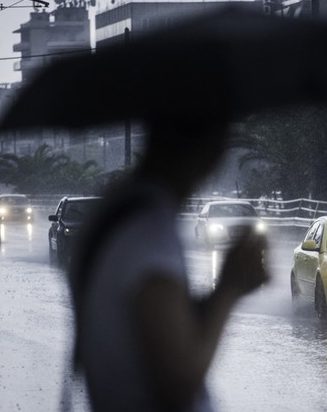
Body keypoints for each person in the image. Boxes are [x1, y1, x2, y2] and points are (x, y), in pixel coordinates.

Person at [67, 121, 268, 412]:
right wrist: (229, 287)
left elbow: (157, 326)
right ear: (210, 148)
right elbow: (179, 383)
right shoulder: (149, 230)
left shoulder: (116, 212)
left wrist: (214, 298)